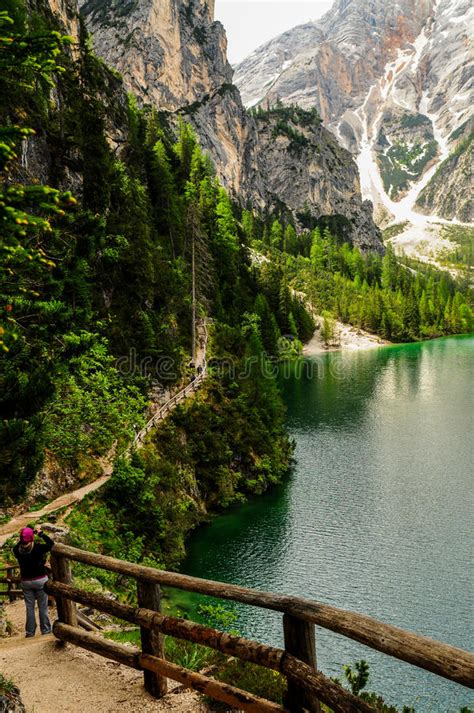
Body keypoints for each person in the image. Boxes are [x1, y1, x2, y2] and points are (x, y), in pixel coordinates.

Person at [13, 526, 54, 637]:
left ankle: (30, 632)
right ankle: (45, 630)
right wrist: (40, 533)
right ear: (32, 537)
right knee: (43, 606)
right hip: (40, 580)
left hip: (26, 582)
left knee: (29, 607)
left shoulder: (17, 550)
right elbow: (51, 544)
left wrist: (23, 536)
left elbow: (19, 544)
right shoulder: (38, 548)